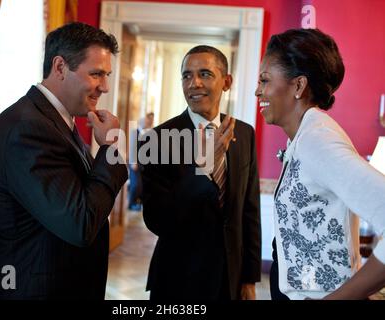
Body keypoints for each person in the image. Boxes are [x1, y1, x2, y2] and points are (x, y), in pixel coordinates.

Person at [0, 22, 128, 299]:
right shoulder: (27, 127)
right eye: (96, 74)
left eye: (106, 75)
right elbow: (80, 224)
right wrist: (110, 148)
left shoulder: (55, 120)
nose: (105, 87)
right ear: (60, 67)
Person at [255, 28, 385, 300]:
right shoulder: (303, 136)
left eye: (265, 80)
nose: (258, 91)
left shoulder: (318, 141)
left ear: (299, 86)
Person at [140, 45, 261, 300]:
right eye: (186, 76)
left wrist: (249, 278)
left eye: (205, 74)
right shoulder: (157, 139)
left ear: (226, 82)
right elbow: (156, 219)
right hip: (178, 279)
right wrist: (203, 168)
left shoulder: (244, 133)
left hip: (230, 278)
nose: (193, 83)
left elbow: (249, 209)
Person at [128, 112, 154, 211]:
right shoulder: (135, 132)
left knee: (140, 185)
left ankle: (136, 202)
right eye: (148, 120)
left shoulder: (145, 133)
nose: (149, 122)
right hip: (134, 162)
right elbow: (133, 147)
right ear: (143, 120)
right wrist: (133, 162)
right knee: (135, 185)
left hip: (142, 163)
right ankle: (131, 204)